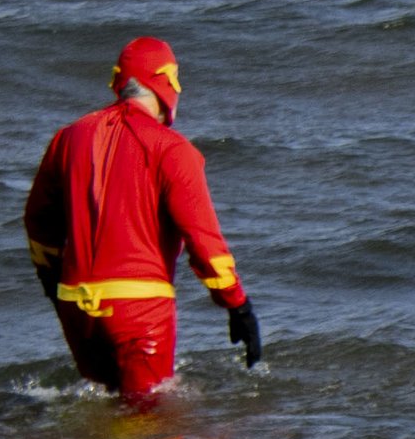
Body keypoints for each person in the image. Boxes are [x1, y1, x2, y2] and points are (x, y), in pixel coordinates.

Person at [23, 36, 261, 406]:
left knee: (105, 411)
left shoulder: (68, 138)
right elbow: (203, 242)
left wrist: (53, 284)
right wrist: (237, 305)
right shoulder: (173, 149)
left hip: (75, 304)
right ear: (166, 83)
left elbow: (38, 223)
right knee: (151, 428)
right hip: (139, 309)